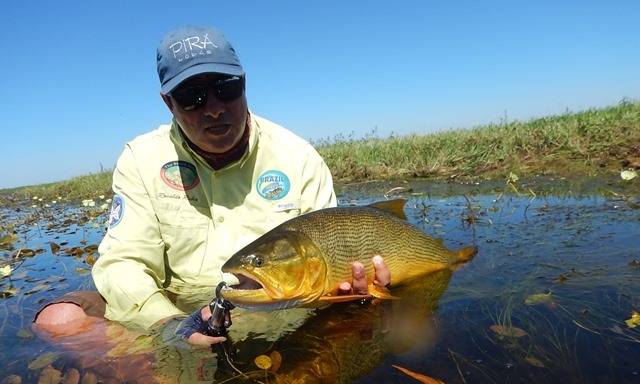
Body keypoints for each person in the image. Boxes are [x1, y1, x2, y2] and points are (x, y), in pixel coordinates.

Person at [35, 25, 390, 346]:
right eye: (193, 96)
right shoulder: (141, 159)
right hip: (176, 310)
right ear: (168, 103)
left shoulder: (297, 156)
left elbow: (336, 249)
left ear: (244, 84)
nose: (215, 108)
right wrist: (170, 325)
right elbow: (123, 263)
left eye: (226, 88)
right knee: (58, 320)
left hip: (283, 308)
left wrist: (358, 288)